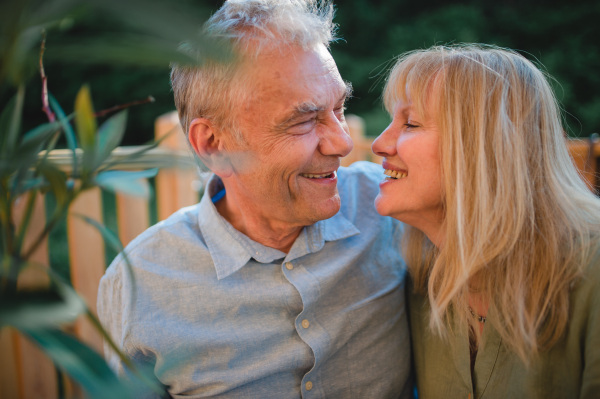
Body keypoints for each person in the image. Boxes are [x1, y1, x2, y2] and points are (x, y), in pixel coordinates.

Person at [98, 1, 411, 398]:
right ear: (213, 146)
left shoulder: (390, 210)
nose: (343, 142)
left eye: (339, 108)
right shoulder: (140, 282)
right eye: (303, 120)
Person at [371, 44, 600, 399]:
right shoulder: (423, 277)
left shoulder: (592, 269)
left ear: (483, 144)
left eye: (411, 123)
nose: (381, 144)